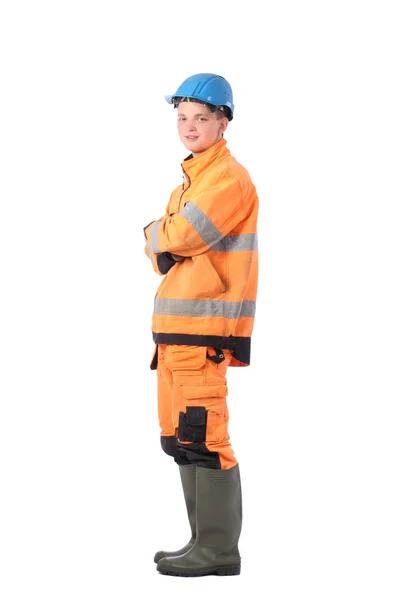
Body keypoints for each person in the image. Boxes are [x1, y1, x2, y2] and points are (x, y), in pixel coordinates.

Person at [143, 73, 259, 577]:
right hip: (175, 335)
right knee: (182, 438)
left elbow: (181, 236)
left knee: (207, 437)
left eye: (201, 118)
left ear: (222, 122)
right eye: (182, 118)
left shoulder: (227, 179)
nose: (189, 127)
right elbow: (162, 256)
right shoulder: (190, 181)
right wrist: (161, 240)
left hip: (205, 331)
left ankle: (219, 551)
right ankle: (199, 542)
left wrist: (155, 232)